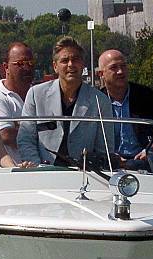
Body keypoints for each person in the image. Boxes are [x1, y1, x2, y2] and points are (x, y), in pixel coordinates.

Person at [17, 36, 114, 165]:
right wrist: (37, 168)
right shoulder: (36, 94)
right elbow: (26, 139)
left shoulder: (100, 101)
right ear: (55, 66)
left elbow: (105, 150)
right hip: (44, 172)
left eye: (75, 59)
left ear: (82, 64)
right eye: (64, 60)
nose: (70, 64)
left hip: (85, 174)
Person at [98, 49, 153, 170]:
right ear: (101, 74)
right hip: (108, 165)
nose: (120, 71)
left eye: (123, 66)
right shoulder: (95, 101)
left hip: (146, 163)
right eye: (114, 68)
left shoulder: (149, 96)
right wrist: (108, 155)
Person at [0, 42, 35, 165]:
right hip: (7, 175)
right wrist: (40, 131)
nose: (27, 68)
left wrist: (19, 127)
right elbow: (5, 135)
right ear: (6, 67)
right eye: (20, 64)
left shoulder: (38, 95)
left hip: (36, 169)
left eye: (30, 63)